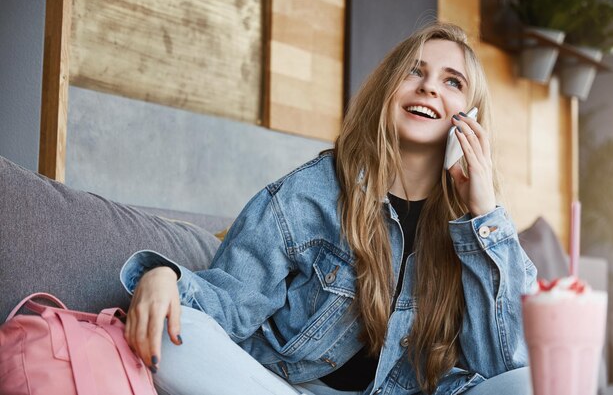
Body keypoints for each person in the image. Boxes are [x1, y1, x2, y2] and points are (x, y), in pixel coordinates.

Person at [120, 22, 537, 395]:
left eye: (452, 82)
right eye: (415, 70)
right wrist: (165, 279)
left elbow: (504, 365)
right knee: (175, 337)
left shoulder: (483, 227)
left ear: (471, 116)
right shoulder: (308, 194)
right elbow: (229, 306)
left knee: (536, 384)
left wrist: (483, 215)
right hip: (292, 389)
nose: (429, 86)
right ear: (388, 88)